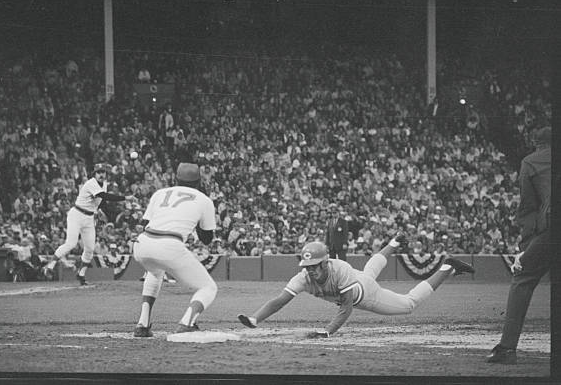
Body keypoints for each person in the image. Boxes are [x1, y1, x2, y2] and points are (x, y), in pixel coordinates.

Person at [238, 233, 474, 337]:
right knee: (370, 269)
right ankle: (393, 242)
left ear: (326, 262)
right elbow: (279, 301)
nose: (310, 269)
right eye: (307, 265)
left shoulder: (338, 270)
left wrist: (328, 331)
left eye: (315, 265)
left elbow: (347, 307)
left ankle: (446, 268)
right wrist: (254, 318)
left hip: (365, 295)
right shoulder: (303, 277)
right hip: (359, 279)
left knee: (409, 304)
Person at [486, 126, 551, 364]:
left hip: (553, 229)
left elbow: (528, 208)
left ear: (536, 142)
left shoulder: (531, 162)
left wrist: (525, 247)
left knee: (522, 280)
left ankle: (506, 349)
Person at [132, 162, 217, 337]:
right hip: (169, 244)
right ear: (199, 181)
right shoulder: (203, 199)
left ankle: (143, 324)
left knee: (155, 273)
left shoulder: (160, 193)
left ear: (175, 179)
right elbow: (207, 239)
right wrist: (198, 221)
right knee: (208, 287)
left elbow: (144, 224)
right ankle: (187, 322)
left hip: (142, 243)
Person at [43, 163, 135, 285]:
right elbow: (103, 196)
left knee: (90, 249)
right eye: (99, 172)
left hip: (89, 217)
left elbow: (101, 201)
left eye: (103, 172)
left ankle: (81, 274)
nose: (101, 174)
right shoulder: (91, 183)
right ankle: (50, 265)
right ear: (94, 174)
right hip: (77, 214)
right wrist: (125, 198)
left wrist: (100, 211)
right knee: (71, 243)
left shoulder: (105, 184)